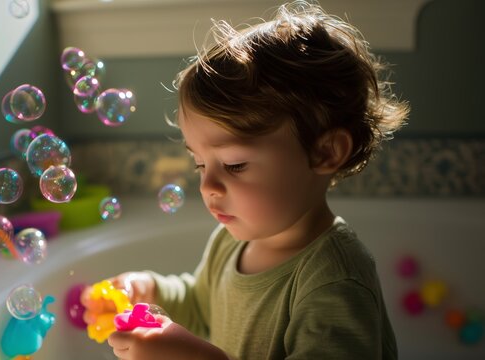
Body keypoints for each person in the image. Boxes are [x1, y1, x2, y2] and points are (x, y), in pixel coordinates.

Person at [81, 1, 409, 359]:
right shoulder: (230, 241)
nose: (208, 187)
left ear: (326, 153)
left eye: (235, 165)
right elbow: (200, 303)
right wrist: (149, 291)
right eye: (200, 164)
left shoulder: (334, 281)